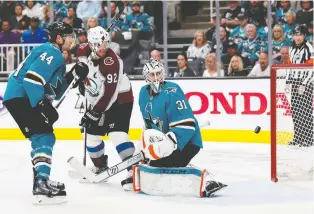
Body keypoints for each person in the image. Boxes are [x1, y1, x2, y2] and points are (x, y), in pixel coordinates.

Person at [2, 22, 89, 204]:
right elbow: (32, 79)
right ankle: (41, 184)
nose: (72, 39)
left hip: (19, 96)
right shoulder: (52, 52)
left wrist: (73, 75)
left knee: (40, 138)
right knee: (44, 137)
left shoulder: (55, 55)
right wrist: (40, 104)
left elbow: (54, 91)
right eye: (69, 36)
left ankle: (40, 181)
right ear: (59, 38)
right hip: (22, 96)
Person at [135, 59, 227, 197]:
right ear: (145, 76)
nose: (156, 78)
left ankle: (206, 179)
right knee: (153, 162)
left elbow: (187, 125)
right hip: (163, 141)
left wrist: (168, 144)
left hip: (188, 141)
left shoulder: (172, 90)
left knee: (162, 164)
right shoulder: (143, 93)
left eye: (158, 73)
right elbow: (149, 125)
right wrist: (146, 146)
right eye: (152, 75)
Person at [76, 26, 135, 190]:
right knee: (91, 136)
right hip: (98, 99)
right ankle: (100, 166)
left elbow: (110, 93)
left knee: (117, 135)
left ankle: (133, 170)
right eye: (100, 44)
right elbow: (84, 71)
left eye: (106, 44)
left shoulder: (112, 61)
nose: (104, 48)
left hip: (120, 100)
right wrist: (82, 82)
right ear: (91, 43)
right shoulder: (82, 50)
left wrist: (95, 112)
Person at [286, 24, 314, 147]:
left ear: (304, 36)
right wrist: (287, 82)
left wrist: (304, 84)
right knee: (296, 111)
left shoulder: (309, 48)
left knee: (306, 111)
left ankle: (309, 138)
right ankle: (298, 137)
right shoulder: (291, 48)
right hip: (295, 82)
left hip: (306, 82)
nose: (297, 37)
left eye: (300, 35)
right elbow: (290, 66)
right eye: (295, 35)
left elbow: (311, 68)